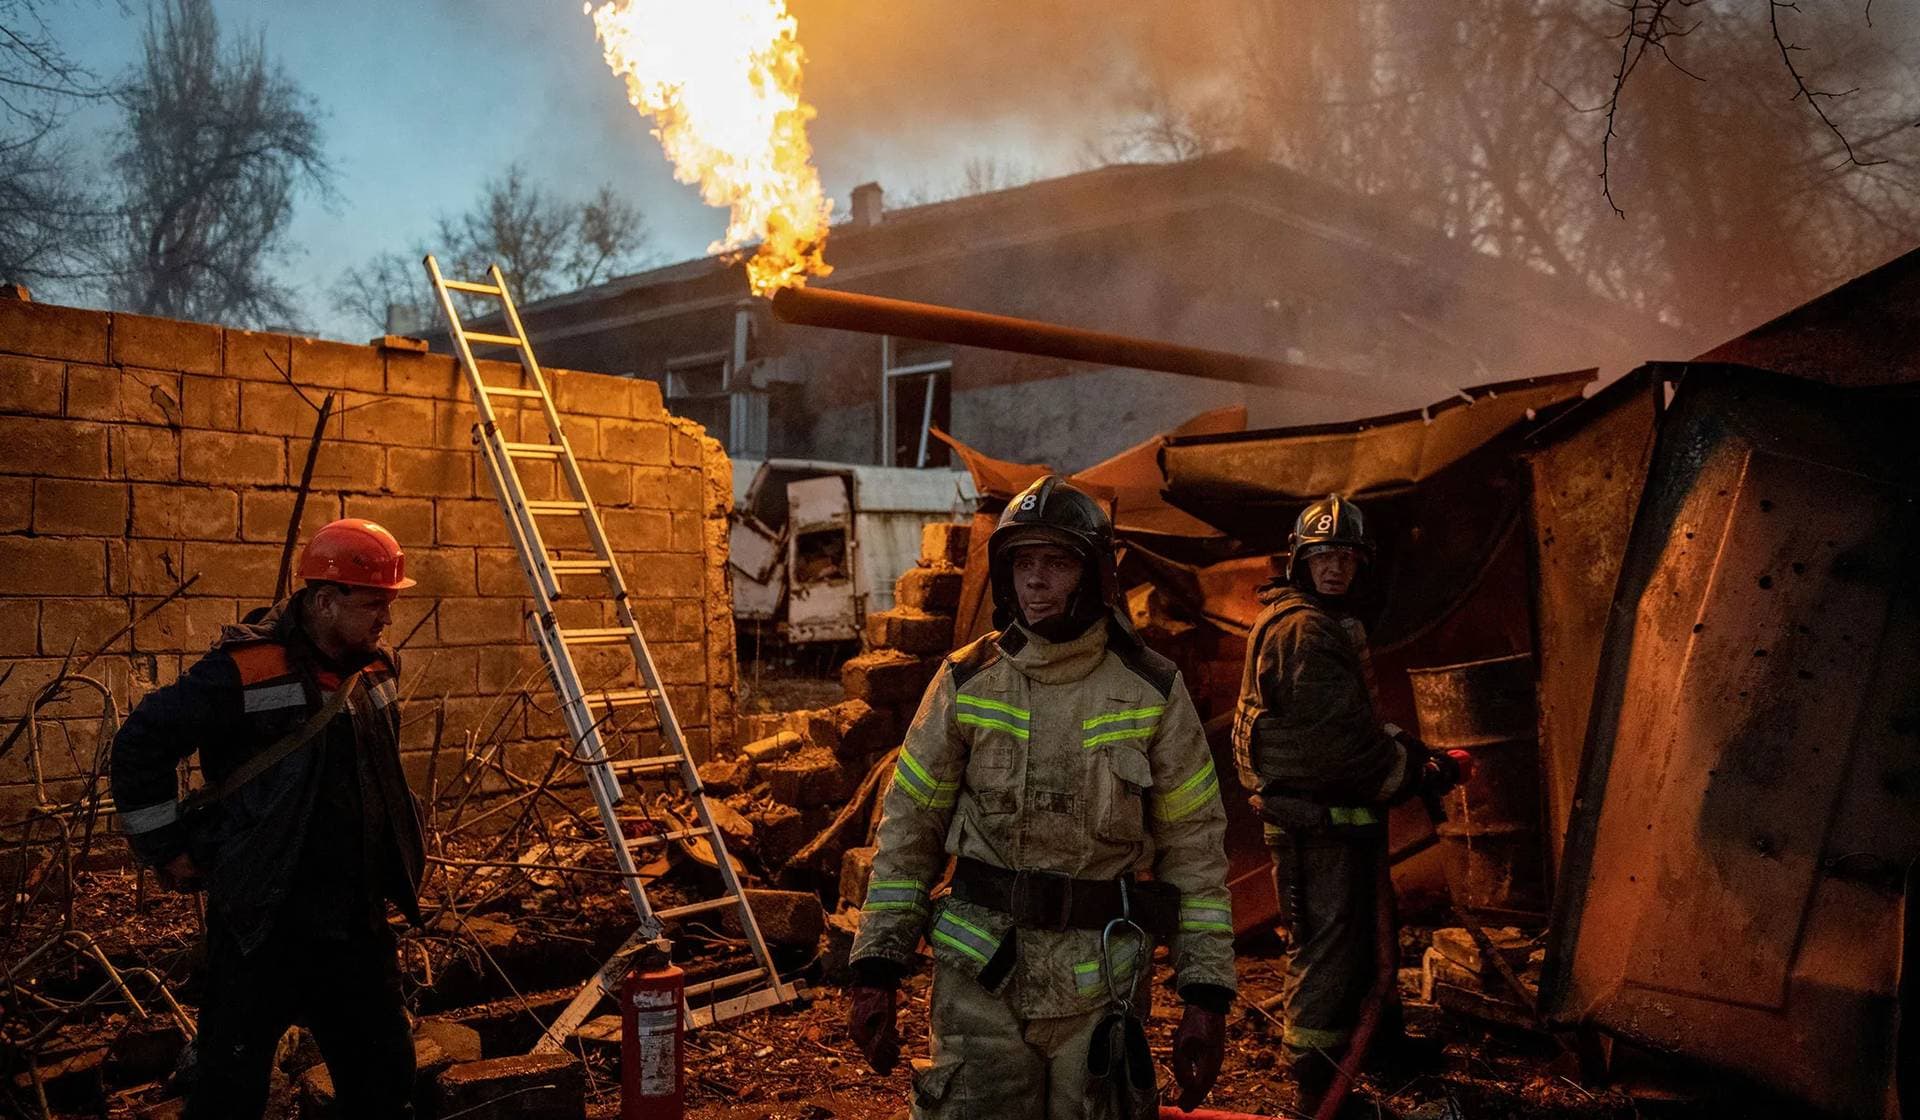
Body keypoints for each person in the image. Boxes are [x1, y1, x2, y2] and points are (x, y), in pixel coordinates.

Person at [845, 475, 1235, 1119]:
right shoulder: (966, 681)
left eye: (1056, 562)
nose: (1036, 579)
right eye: (1024, 562)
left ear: (1095, 578)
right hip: (978, 983)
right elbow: (907, 831)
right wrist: (876, 968)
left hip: (1100, 989)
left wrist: (1206, 994)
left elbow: (1195, 849)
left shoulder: (1152, 689)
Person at [110, 518, 426, 1119]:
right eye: (375, 604)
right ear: (326, 601)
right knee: (230, 1090)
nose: (387, 619)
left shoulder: (377, 668)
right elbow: (140, 744)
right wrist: (165, 847)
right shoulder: (246, 668)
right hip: (263, 924)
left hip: (356, 924)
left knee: (385, 1081)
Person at [1230, 495, 1468, 1114]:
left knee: (1365, 939)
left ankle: (1377, 1052)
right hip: (1318, 824)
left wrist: (1417, 755)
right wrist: (1414, 775)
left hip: (1342, 818)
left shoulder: (1330, 621)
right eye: (1321, 556)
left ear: (1361, 564)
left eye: (1344, 557)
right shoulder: (1304, 630)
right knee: (1327, 952)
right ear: (1299, 561)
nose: (1333, 568)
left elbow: (1360, 723)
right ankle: (1317, 1085)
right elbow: (1336, 744)